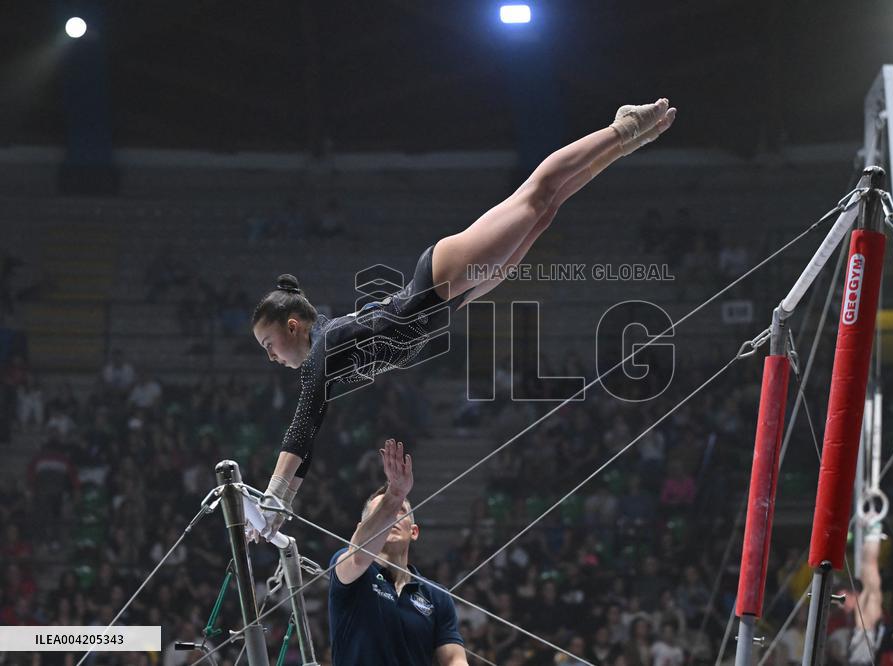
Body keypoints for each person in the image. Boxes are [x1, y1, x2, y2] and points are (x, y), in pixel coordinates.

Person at [249, 99, 678, 535]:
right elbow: (310, 431)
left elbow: (302, 426)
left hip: (438, 280)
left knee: (535, 195)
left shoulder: (322, 350)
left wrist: (272, 501)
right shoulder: (327, 352)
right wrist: (276, 509)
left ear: (292, 326)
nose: (270, 357)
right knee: (545, 213)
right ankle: (623, 144)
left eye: (269, 345)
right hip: (452, 300)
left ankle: (624, 127)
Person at [328, 439, 468, 665]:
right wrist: (394, 496)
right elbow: (359, 556)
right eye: (382, 514)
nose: (391, 516)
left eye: (398, 511)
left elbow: (454, 660)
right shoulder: (349, 568)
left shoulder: (437, 596)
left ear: (414, 532)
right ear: (361, 530)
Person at [828, 523, 886, 665]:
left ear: (854, 594)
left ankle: (873, 532)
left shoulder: (867, 608)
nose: (841, 606)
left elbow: (871, 565)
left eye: (843, 600)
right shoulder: (851, 616)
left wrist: (872, 536)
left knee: (869, 567)